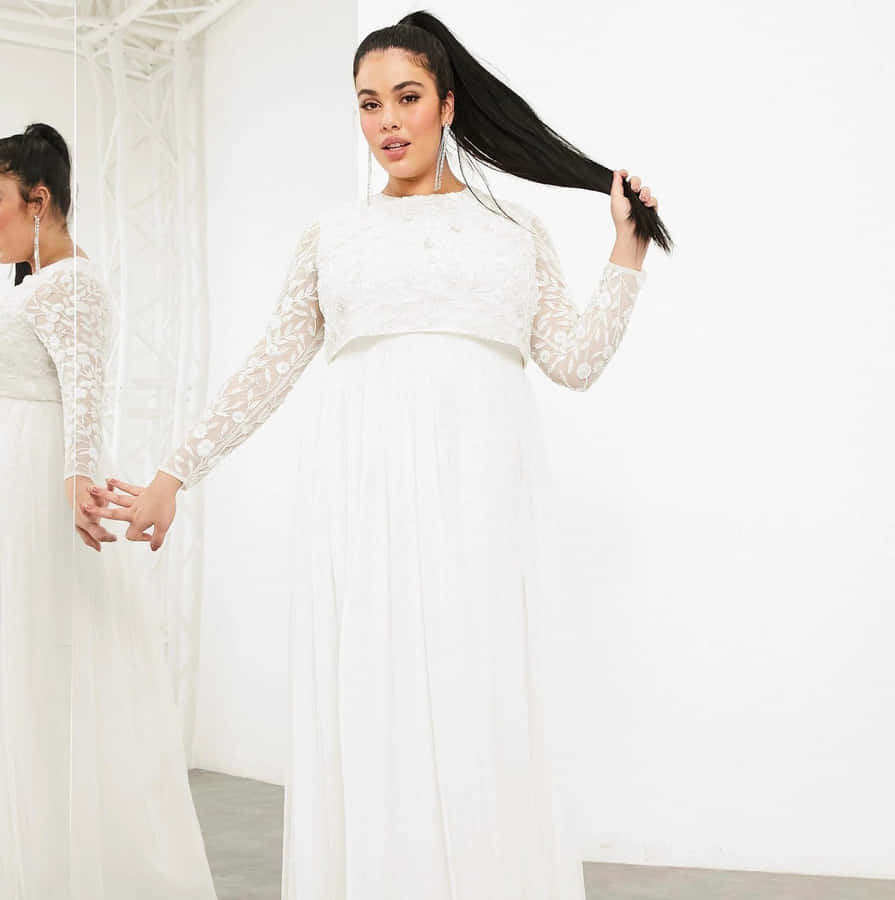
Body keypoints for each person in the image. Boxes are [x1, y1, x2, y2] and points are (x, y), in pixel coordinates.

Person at [89, 12, 670, 899]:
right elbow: (271, 365)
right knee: (379, 698)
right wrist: (175, 475)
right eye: (368, 104)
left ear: (445, 104)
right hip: (364, 499)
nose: (386, 122)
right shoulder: (336, 235)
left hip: (481, 498)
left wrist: (626, 249)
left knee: (479, 699)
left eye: (405, 98)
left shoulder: (514, 230)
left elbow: (575, 362)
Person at [0, 123, 217, 899]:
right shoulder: (38, 282)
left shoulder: (71, 283)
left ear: (38, 199)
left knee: (51, 664)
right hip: (19, 475)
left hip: (38, 484)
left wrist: (75, 479)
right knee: (23, 672)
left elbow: (88, 393)